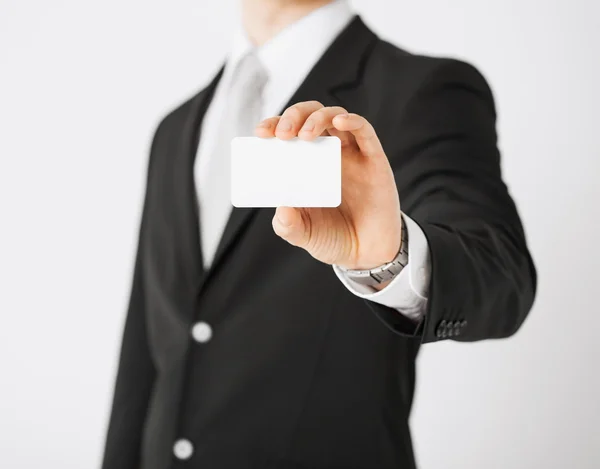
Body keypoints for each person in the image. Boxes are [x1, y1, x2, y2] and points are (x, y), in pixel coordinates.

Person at [102, 0, 537, 468]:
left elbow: (500, 279)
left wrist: (387, 257)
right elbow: (143, 356)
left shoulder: (424, 90)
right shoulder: (174, 129)